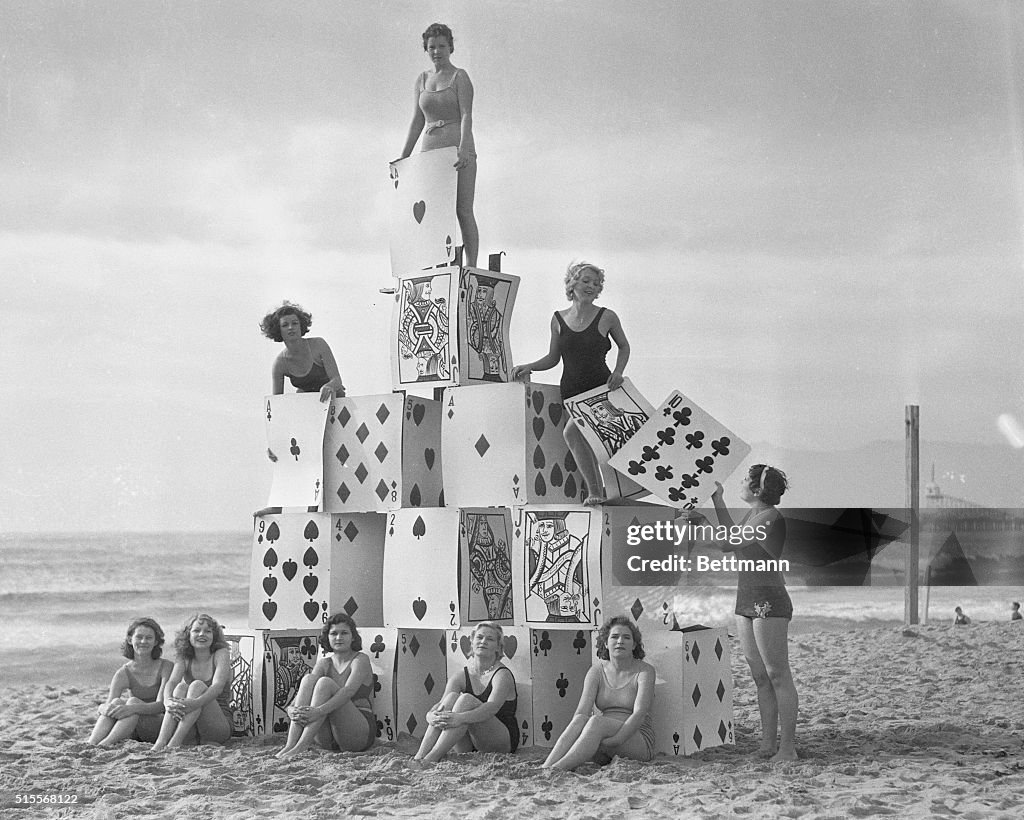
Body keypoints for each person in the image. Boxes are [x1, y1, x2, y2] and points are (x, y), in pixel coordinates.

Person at [510, 261, 631, 505]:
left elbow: (624, 347)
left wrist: (619, 372)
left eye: (596, 283)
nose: (591, 286)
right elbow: (553, 358)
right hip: (572, 392)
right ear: (572, 284)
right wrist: (530, 366)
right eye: (586, 281)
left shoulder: (607, 316)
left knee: (572, 432)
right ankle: (597, 493)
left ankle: (598, 492)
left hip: (601, 388)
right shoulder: (557, 319)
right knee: (582, 439)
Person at [710, 465, 798, 762]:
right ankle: (767, 745)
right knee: (760, 677)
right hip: (746, 598)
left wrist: (709, 511)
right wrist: (717, 502)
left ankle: (787, 748)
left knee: (777, 674)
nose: (742, 484)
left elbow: (726, 543)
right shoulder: (753, 515)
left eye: (746, 481)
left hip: (769, 600)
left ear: (758, 489)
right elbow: (731, 539)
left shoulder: (770, 517)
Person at [399, 22, 479, 268]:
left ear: (450, 47)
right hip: (430, 150)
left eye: (442, 46)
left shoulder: (460, 76)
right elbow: (416, 120)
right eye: (432, 47)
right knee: (432, 211)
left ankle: (470, 264)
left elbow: (466, 114)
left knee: (462, 209)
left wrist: (464, 147)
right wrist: (403, 158)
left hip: (457, 148)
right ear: (426, 48)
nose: (437, 51)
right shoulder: (422, 80)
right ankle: (436, 263)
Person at [541, 616, 655, 770]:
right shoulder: (596, 671)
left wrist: (612, 741)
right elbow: (581, 712)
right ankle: (546, 767)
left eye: (626, 637)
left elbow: (639, 714)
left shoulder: (645, 671)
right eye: (614, 637)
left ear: (634, 645)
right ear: (606, 643)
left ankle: (557, 769)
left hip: (635, 739)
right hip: (600, 738)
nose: (620, 641)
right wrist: (590, 737)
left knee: (595, 721)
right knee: (581, 719)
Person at [413, 622, 518, 763]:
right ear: (472, 642)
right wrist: (430, 716)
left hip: (500, 741)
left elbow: (491, 708)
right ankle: (419, 757)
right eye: (479, 637)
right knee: (451, 698)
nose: (483, 642)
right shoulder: (461, 675)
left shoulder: (502, 675)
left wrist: (460, 718)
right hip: (468, 745)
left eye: (490, 639)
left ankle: (431, 758)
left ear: (498, 647)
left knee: (466, 700)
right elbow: (441, 704)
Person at [275, 613, 376, 757]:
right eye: (334, 633)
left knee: (324, 683)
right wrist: (291, 709)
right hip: (327, 737)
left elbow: (348, 691)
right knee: (309, 679)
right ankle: (291, 745)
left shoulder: (360, 659)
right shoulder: (324, 663)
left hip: (357, 734)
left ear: (353, 637)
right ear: (327, 637)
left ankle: (301, 747)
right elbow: (303, 692)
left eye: (344, 633)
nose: (339, 638)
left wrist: (319, 711)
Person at [152, 613, 233, 750]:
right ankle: (161, 741)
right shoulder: (184, 656)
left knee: (196, 685)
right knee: (180, 688)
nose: (202, 634)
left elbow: (218, 687)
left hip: (217, 725)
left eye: (208, 631)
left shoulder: (221, 653)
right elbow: (171, 682)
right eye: (196, 630)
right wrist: (167, 702)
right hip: (191, 726)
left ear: (214, 636)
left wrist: (195, 704)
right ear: (188, 635)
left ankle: (174, 743)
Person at [88, 618, 174, 746]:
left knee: (132, 702)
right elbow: (109, 704)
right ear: (130, 640)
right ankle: (92, 743)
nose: (143, 641)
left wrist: (132, 708)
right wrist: (103, 707)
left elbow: (161, 705)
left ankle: (105, 744)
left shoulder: (166, 667)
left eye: (149, 638)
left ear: (156, 642)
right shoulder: (123, 673)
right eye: (139, 637)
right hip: (132, 729)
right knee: (116, 702)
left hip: (159, 727)